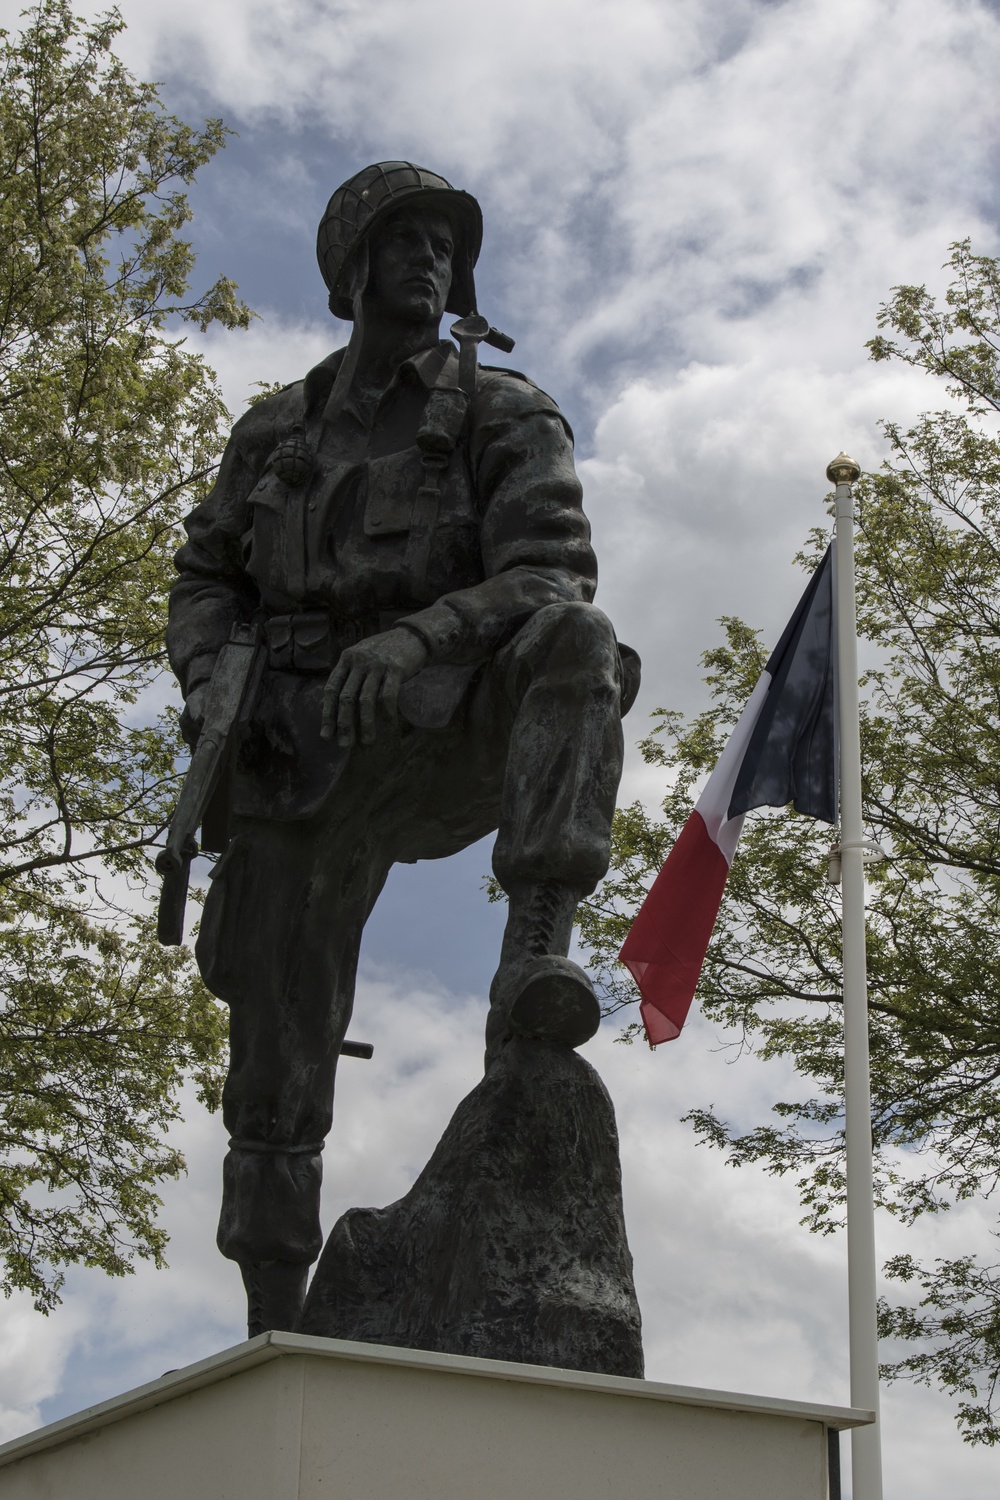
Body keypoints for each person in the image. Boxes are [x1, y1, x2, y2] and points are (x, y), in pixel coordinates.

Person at [165, 161, 639, 1337]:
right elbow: (202, 578)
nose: (427, 260)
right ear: (350, 268)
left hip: (443, 726)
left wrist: (423, 635)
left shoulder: (501, 410)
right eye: (402, 241)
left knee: (579, 644)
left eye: (442, 243)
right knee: (274, 1057)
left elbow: (552, 570)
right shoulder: (277, 431)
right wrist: (209, 689)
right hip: (296, 748)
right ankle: (275, 1318)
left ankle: (535, 949)